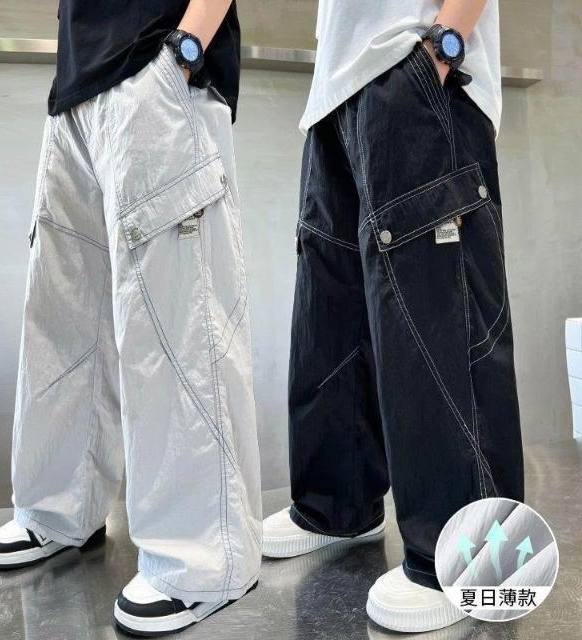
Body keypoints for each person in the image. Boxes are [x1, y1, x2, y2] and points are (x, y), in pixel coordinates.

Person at [0, 1, 262, 635]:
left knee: (178, 324)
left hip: (158, 63)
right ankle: (60, 507)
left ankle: (204, 561)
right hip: (76, 88)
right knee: (64, 322)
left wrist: (186, 49)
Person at [262, 0, 524, 633]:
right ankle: (338, 505)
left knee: (436, 322)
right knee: (333, 318)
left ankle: (474, 561)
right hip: (337, 90)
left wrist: (445, 45)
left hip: (419, 65)